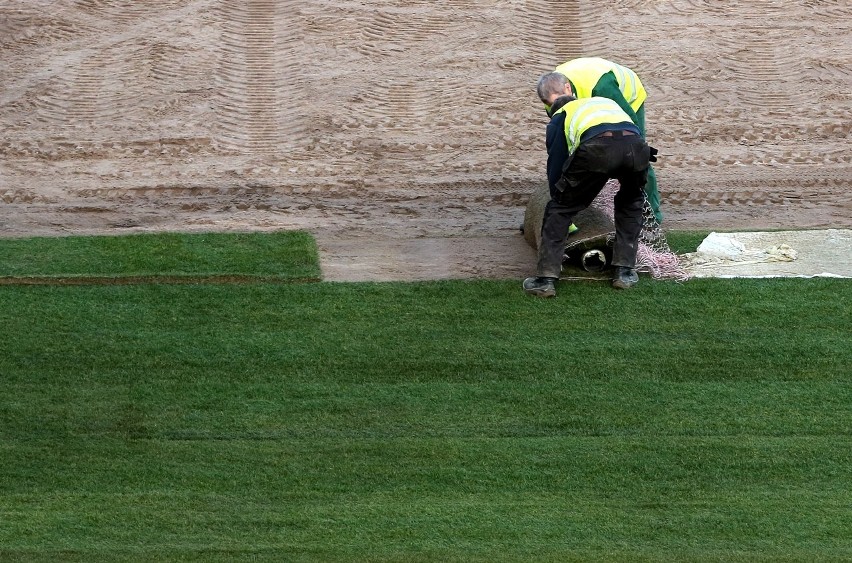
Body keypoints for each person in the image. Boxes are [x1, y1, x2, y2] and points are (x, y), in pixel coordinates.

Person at [523, 80, 657, 298]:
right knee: (631, 201)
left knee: (560, 208)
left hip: (597, 149)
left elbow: (557, 164)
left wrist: (560, 197)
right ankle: (624, 271)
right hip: (636, 148)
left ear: (550, 105)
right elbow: (631, 130)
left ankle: (545, 280)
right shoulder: (602, 102)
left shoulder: (560, 117)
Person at [538, 58, 662, 224]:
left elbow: (629, 122)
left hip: (627, 99)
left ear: (567, 87)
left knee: (636, 155)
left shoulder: (601, 87)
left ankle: (652, 215)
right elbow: (559, 146)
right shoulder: (551, 97)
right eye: (553, 105)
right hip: (590, 99)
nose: (558, 106)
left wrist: (636, 150)